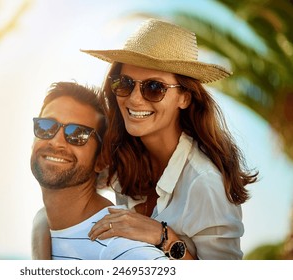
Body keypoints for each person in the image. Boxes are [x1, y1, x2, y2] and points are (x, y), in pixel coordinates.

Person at [81, 18, 258, 260]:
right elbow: (64, 195)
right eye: (125, 84)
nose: (134, 99)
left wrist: (163, 237)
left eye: (154, 87)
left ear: (184, 98)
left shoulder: (205, 184)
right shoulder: (123, 155)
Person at [30, 81, 167, 260]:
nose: (56, 141)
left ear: (101, 160)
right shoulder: (48, 226)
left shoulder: (121, 249)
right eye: (46, 126)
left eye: (77, 134)